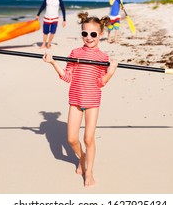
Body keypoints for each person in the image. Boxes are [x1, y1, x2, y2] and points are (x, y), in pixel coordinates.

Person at [43, 12, 118, 187]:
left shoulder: (103, 58)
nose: (89, 37)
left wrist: (111, 71)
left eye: (93, 34)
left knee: (88, 139)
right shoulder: (75, 52)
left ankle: (89, 172)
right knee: (71, 139)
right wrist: (53, 62)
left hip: (92, 101)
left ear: (100, 35)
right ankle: (82, 157)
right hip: (75, 100)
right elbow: (67, 77)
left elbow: (101, 82)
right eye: (85, 33)